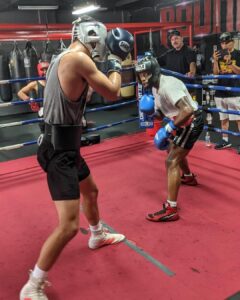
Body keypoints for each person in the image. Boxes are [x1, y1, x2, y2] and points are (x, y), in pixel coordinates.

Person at [20, 15, 133, 300]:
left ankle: (96, 234)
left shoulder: (64, 56)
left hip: (64, 145)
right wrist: (118, 63)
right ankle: (32, 285)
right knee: (69, 226)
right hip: (59, 151)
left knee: (91, 191)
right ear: (95, 38)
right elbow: (112, 92)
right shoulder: (81, 60)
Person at [135, 55, 204, 222]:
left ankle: (171, 209)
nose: (143, 78)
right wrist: (150, 112)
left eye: (146, 74)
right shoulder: (154, 89)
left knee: (171, 161)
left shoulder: (168, 85)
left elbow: (187, 110)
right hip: (180, 120)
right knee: (172, 149)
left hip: (191, 120)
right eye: (140, 75)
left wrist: (169, 128)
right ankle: (187, 176)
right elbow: (162, 112)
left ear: (154, 71)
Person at [212, 32, 240, 151]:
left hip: (234, 91)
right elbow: (215, 74)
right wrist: (215, 61)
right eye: (223, 43)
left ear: (232, 42)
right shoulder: (218, 55)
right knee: (223, 118)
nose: (225, 45)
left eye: (227, 42)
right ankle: (225, 141)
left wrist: (230, 64)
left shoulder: (238, 54)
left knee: (238, 119)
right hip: (220, 91)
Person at [17, 61, 49, 133]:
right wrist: (30, 100)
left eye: (47, 69)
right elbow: (20, 93)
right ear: (39, 71)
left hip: (54, 111)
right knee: (45, 133)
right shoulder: (35, 83)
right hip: (43, 112)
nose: (45, 72)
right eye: (43, 70)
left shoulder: (54, 81)